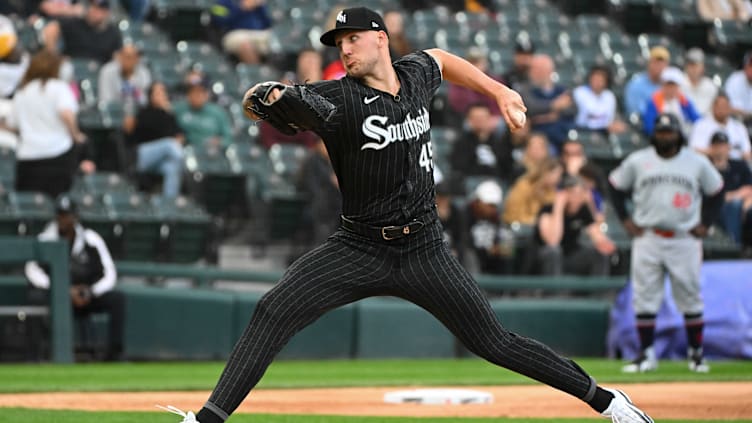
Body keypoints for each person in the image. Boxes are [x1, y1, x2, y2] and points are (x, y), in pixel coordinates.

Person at [163, 7, 654, 423]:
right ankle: (206, 420)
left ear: (381, 38)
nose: (345, 50)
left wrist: (499, 91)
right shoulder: (339, 97)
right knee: (273, 309)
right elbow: (283, 105)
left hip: (423, 248)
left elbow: (442, 59)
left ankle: (610, 403)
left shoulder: (416, 74)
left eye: (353, 38)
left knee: (494, 342)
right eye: (339, 43)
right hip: (358, 247)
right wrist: (270, 98)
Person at [608, 113, 724, 374]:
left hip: (684, 238)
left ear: (678, 134)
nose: (665, 137)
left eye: (669, 132)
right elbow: (614, 185)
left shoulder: (696, 162)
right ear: (654, 134)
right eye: (661, 132)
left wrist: (706, 222)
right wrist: (625, 219)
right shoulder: (639, 160)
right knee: (645, 297)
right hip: (648, 236)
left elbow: (717, 191)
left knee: (690, 295)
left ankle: (696, 355)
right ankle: (646, 355)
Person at [24, 195, 125, 361]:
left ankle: (115, 354)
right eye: (60, 215)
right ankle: (33, 356)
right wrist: (62, 290)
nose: (63, 219)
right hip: (57, 297)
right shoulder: (45, 240)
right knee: (34, 298)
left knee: (118, 299)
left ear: (75, 217)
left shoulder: (91, 239)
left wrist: (90, 292)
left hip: (86, 296)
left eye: (66, 215)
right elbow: (32, 270)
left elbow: (109, 273)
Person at [10, 50, 94, 199]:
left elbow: (13, 124)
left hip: (28, 158)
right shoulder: (59, 88)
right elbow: (66, 114)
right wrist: (76, 135)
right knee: (56, 205)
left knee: (31, 207)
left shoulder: (22, 92)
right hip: (58, 156)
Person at [535, 174, 615, 276]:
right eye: (573, 194)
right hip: (545, 257)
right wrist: (558, 207)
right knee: (554, 252)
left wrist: (591, 204)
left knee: (599, 253)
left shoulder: (583, 209)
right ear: (564, 193)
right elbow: (553, 241)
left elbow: (597, 236)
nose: (577, 198)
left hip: (569, 256)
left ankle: (599, 290)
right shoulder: (548, 209)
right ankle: (555, 291)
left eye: (581, 194)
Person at [124, 81, 185, 198]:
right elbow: (139, 130)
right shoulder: (144, 112)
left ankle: (169, 205)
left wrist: (167, 113)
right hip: (140, 156)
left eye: (163, 92)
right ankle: (186, 164)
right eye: (157, 93)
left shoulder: (169, 114)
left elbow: (180, 136)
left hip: (159, 160)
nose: (161, 95)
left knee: (172, 168)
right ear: (150, 95)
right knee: (169, 144)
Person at [518, 54, 576, 152]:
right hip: (536, 134)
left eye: (541, 69)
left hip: (562, 135)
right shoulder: (525, 89)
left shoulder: (561, 90)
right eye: (535, 69)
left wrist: (547, 115)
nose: (537, 73)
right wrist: (554, 105)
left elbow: (573, 109)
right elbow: (530, 108)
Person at [706, 131, 752, 248]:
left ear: (729, 147)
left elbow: (749, 188)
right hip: (711, 207)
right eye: (716, 146)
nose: (720, 149)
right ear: (711, 148)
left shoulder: (739, 165)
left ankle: (737, 244)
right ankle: (734, 246)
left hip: (737, 206)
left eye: (723, 145)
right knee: (734, 205)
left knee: (737, 205)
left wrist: (731, 198)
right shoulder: (705, 167)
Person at [42, 0, 123, 64]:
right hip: (72, 66)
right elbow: (51, 28)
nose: (94, 11)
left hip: (98, 72)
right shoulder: (75, 23)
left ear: (106, 13)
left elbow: (117, 57)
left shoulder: (113, 33)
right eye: (93, 7)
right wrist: (53, 55)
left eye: (99, 9)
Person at [450, 102, 513, 181]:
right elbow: (458, 167)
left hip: (497, 182)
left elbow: (507, 167)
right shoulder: (462, 142)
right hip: (470, 182)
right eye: (475, 118)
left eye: (482, 117)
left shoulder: (500, 142)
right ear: (469, 120)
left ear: (490, 119)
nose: (479, 121)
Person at [173, 72, 233, 150]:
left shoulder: (217, 112)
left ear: (206, 94)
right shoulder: (179, 109)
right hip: (185, 150)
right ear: (188, 95)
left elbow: (228, 138)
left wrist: (219, 142)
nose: (197, 96)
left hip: (211, 152)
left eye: (200, 92)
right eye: (193, 92)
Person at [465, 179, 513, 274]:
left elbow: (507, 244)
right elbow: (463, 242)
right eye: (489, 205)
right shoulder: (465, 216)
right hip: (472, 260)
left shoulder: (497, 219)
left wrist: (500, 248)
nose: (491, 209)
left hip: (493, 262)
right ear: (478, 201)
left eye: (494, 206)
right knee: (469, 255)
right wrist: (487, 250)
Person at [689, 93, 751, 161]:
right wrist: (718, 152)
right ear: (713, 107)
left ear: (730, 108)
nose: (722, 109)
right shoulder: (700, 125)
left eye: (725, 106)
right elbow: (694, 150)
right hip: (709, 163)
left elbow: (747, 153)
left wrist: (728, 153)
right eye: (719, 106)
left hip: (736, 165)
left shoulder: (739, 127)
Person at [503, 157, 563, 226]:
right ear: (546, 172)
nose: (559, 179)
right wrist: (536, 221)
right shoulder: (524, 185)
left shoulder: (551, 191)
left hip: (537, 227)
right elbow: (512, 214)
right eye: (557, 174)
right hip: (517, 226)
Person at [642, 66, 700, 136]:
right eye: (668, 85)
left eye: (673, 85)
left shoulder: (683, 100)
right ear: (663, 85)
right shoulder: (654, 100)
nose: (671, 89)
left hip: (682, 136)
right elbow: (649, 126)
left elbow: (696, 119)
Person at [448, 46, 503, 118]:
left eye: (478, 62)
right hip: (467, 119)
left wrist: (491, 116)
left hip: (492, 119)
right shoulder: (458, 81)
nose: (475, 66)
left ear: (485, 63)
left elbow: (500, 104)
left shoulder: (495, 80)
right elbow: (457, 105)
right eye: (472, 62)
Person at [210, 0, 272, 65]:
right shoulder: (221, 2)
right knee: (245, 43)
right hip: (235, 34)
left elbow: (268, 22)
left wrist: (260, 6)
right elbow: (219, 17)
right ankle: (256, 73)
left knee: (278, 40)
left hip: (260, 34)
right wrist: (241, 8)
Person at [573, 65, 627, 135]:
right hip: (583, 131)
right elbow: (581, 121)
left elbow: (609, 120)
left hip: (604, 132)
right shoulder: (579, 93)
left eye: (601, 79)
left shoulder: (609, 96)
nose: (597, 82)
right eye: (595, 78)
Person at [97, 43, 151, 109]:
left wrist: (136, 93)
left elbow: (145, 101)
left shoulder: (144, 73)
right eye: (126, 57)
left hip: (137, 113)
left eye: (132, 57)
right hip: (115, 112)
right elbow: (105, 100)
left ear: (137, 59)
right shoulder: (107, 71)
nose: (128, 61)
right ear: (119, 57)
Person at [624, 46, 670, 118]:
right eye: (655, 62)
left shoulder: (669, 85)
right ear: (649, 63)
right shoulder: (636, 84)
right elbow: (636, 113)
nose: (659, 66)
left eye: (662, 63)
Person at [679, 48, 718, 117]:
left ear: (703, 67)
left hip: (705, 125)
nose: (694, 68)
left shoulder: (710, 86)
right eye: (691, 65)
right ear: (686, 66)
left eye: (696, 65)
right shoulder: (678, 83)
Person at [723, 51, 752, 122]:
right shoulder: (735, 79)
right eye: (750, 65)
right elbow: (730, 108)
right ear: (745, 67)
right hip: (735, 121)